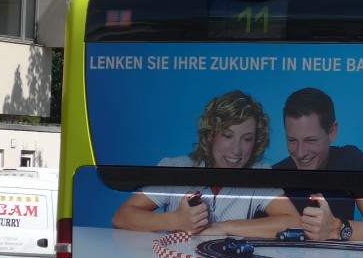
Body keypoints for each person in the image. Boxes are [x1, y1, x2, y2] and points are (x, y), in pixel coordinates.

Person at [112, 90, 300, 238]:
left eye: (247, 139)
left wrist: (224, 227)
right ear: (211, 135)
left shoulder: (258, 174)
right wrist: (174, 221)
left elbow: (293, 222)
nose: (236, 150)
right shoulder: (177, 169)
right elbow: (122, 216)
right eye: (227, 136)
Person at [273, 87, 363, 241]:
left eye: (310, 140)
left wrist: (335, 229)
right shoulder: (274, 174)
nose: (300, 153)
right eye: (292, 140)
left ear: (332, 133)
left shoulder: (351, 160)